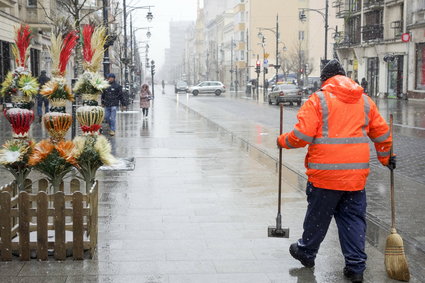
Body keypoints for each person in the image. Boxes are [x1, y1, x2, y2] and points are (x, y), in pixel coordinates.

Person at [277, 60, 395, 283]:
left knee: (318, 217)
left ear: (325, 80)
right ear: (345, 76)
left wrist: (282, 141)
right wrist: (386, 158)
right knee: (352, 220)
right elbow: (382, 133)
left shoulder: (318, 100)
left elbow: (301, 136)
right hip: (355, 177)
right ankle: (355, 267)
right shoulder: (365, 101)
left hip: (326, 175)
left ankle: (306, 252)